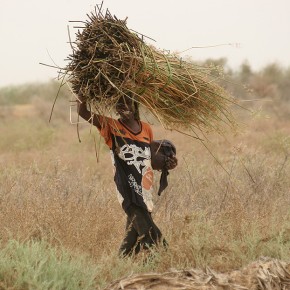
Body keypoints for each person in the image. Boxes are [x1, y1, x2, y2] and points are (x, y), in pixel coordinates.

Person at [77, 94, 177, 257]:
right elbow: (83, 113)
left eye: (127, 102)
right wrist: (82, 94)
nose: (123, 106)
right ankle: (155, 269)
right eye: (119, 104)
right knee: (154, 240)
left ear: (135, 106)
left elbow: (148, 158)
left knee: (132, 240)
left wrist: (168, 164)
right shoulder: (111, 126)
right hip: (128, 192)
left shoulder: (146, 129)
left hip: (145, 191)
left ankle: (119, 266)